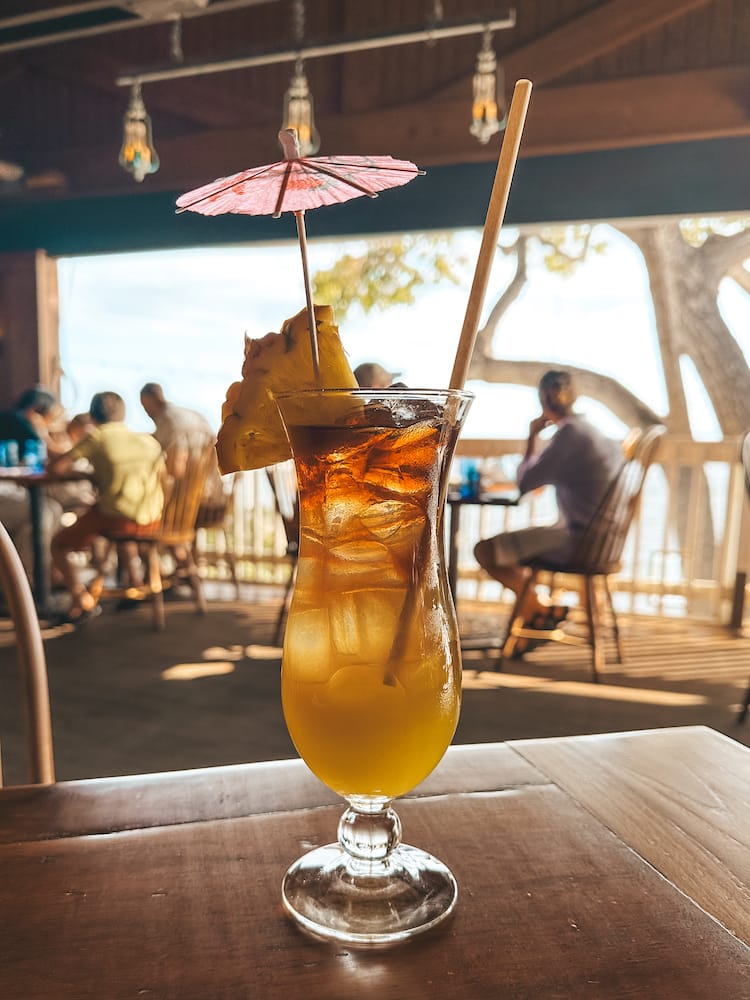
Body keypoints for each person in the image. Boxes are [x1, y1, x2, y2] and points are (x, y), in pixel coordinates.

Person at [473, 370, 624, 647]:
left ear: (543, 399)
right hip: (605, 540)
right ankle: (540, 611)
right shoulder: (593, 432)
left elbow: (527, 483)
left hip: (578, 540)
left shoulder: (569, 436)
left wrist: (532, 437)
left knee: (484, 550)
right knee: (514, 552)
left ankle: (539, 609)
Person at [49, 391, 165, 627]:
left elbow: (57, 468)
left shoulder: (98, 437)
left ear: (93, 415)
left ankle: (81, 599)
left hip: (118, 519)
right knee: (118, 517)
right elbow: (164, 475)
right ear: (123, 414)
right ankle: (134, 582)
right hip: (153, 518)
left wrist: (83, 473)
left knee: (58, 544)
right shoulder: (147, 441)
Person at [0, 386, 67, 579]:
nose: (50, 424)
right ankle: (26, 584)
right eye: (49, 418)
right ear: (36, 410)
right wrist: (41, 431)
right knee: (43, 513)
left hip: (10, 489)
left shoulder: (10, 418)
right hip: (5, 490)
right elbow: (52, 456)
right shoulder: (20, 421)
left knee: (50, 511)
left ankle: (19, 582)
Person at [140, 382, 223, 506]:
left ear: (155, 400)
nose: (146, 412)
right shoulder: (190, 414)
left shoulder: (167, 420)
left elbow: (176, 467)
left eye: (146, 406)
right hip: (217, 494)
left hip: (196, 500)